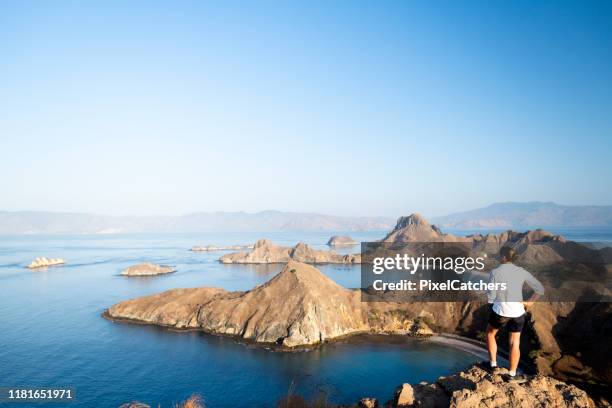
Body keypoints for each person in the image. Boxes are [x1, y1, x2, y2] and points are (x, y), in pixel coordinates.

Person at [485, 246, 545, 382]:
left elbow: (491, 296)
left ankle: (493, 365)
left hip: (501, 311)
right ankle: (512, 374)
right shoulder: (521, 271)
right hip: (518, 312)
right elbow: (540, 288)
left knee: (490, 333)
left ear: (504, 257)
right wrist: (530, 303)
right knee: (514, 343)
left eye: (500, 255)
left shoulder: (495, 272)